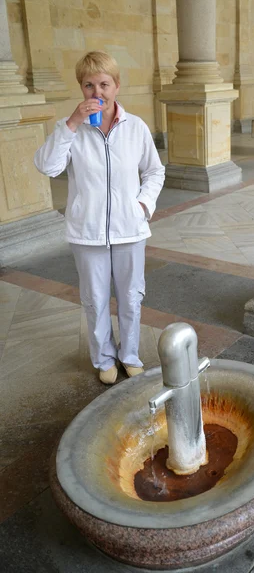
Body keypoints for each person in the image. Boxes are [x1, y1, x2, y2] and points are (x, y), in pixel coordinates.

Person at [34, 51, 165, 385]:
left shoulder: (136, 128)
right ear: (81, 88)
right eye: (89, 84)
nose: (97, 92)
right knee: (94, 299)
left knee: (132, 298)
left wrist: (143, 206)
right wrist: (72, 124)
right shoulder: (71, 130)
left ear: (116, 86)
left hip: (130, 230)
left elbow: (154, 171)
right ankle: (104, 358)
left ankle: (130, 354)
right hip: (87, 233)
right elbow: (48, 166)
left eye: (104, 84)